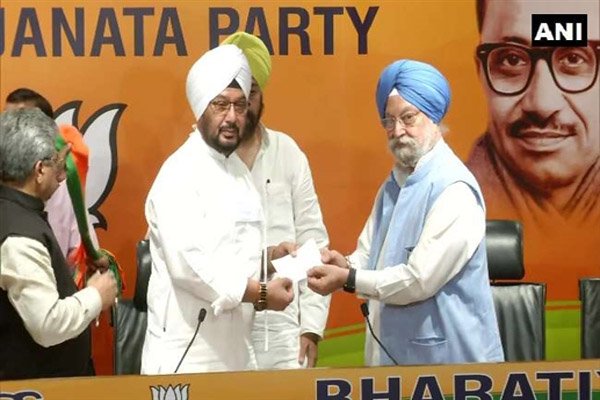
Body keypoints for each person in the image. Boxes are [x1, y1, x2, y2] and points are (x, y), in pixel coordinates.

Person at [307, 59, 504, 366]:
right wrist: (344, 264)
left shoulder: (454, 190)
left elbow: (418, 280)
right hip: (394, 361)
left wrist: (349, 278)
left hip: (452, 369)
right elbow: (369, 254)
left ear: (433, 116)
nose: (397, 130)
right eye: (389, 121)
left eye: (408, 118)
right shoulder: (394, 183)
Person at [141, 45, 294, 374]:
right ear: (201, 108)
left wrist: (270, 257)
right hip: (188, 356)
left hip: (235, 351)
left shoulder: (236, 169)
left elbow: (230, 249)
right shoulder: (180, 172)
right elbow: (189, 267)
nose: (232, 117)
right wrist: (261, 294)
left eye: (240, 105)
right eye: (221, 104)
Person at [466, 0, 599, 298]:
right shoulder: (445, 207)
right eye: (512, 59)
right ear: (481, 72)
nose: (542, 104)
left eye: (574, 58)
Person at [222, 32, 331, 369]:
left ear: (261, 95)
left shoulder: (287, 152)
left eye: (250, 93)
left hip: (286, 333)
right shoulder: (205, 162)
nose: (241, 107)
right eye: (233, 95)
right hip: (222, 328)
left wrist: (311, 327)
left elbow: (313, 242)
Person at [0, 108, 118, 380]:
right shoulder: (19, 237)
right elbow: (47, 324)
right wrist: (96, 295)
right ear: (40, 169)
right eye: (59, 164)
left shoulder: (18, 215)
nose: (64, 176)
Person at [4, 88, 100, 262]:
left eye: (23, 122)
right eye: (7, 121)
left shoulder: (66, 188)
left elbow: (84, 253)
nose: (11, 131)